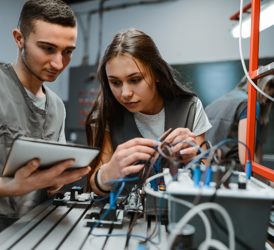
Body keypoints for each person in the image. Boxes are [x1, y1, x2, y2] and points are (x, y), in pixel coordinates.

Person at [0, 1, 90, 249]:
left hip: (34, 237)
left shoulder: (56, 106)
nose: (58, 63)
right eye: (47, 48)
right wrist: (10, 186)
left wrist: (60, 177)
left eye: (68, 51)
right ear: (19, 39)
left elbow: (49, 187)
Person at [85, 28, 212, 196]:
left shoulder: (191, 108)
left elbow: (205, 178)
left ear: (157, 73)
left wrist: (194, 157)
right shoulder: (105, 113)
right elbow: (95, 186)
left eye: (135, 80)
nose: (125, 93)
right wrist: (107, 173)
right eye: (115, 82)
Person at [204, 74, 274, 171]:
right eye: (265, 97)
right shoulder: (249, 104)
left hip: (207, 171)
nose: (264, 102)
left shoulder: (212, 104)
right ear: (262, 88)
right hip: (233, 174)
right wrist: (267, 183)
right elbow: (246, 160)